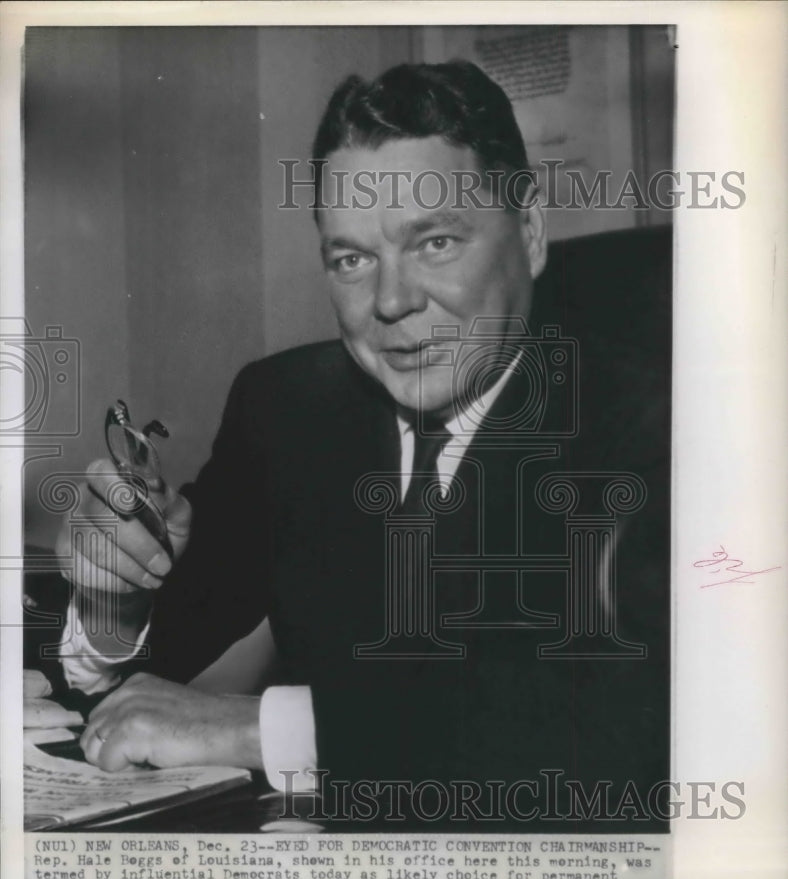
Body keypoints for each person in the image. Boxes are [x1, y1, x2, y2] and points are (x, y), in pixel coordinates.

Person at [54, 61, 670, 828]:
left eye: (435, 243)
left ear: (532, 235)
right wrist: (119, 591)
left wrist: (259, 728)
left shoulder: (649, 430)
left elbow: (608, 736)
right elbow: (153, 678)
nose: (390, 301)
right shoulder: (288, 410)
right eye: (352, 259)